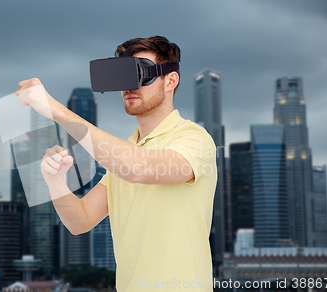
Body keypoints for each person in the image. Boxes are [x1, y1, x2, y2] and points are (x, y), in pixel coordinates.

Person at [15, 36, 217, 292]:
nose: (129, 87)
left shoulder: (193, 138)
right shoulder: (125, 155)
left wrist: (54, 109)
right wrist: (55, 181)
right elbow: (81, 221)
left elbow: (140, 168)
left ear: (171, 80)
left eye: (141, 74)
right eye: (123, 76)